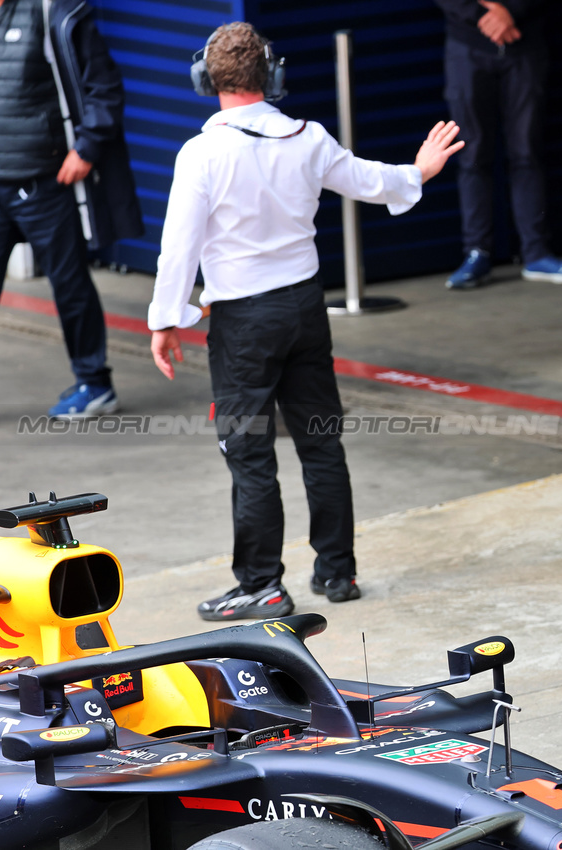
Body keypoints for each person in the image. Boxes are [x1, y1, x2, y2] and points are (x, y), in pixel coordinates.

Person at [147, 22, 463, 621]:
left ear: (205, 79)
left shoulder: (202, 153)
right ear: (272, 75)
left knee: (248, 452)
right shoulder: (308, 137)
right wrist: (418, 170)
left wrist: (166, 320)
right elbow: (369, 181)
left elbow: (178, 247)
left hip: (242, 324)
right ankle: (337, 571)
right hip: (304, 311)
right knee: (321, 442)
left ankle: (262, 584)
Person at [0, 0, 142, 427]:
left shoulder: (54, 11)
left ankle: (95, 384)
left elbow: (104, 87)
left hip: (47, 183)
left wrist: (87, 148)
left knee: (69, 284)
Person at [434, 0, 562, 289]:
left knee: (527, 152)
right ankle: (477, 253)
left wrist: (510, 11)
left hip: (525, 44)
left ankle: (536, 253)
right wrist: (482, 16)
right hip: (467, 46)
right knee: (471, 153)